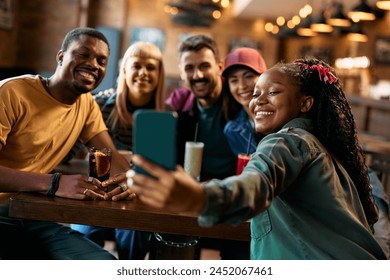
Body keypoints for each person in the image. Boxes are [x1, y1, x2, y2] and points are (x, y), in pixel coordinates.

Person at [124, 57, 386, 259]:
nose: (258, 100)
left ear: (305, 104)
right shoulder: (321, 147)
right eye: (256, 93)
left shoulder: (285, 140)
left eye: (273, 92)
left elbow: (255, 186)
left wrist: (197, 197)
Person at [0, 27, 132, 260]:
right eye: (84, 54)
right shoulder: (11, 93)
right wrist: (54, 183)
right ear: (61, 57)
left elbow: (111, 157)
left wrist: (128, 181)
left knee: (106, 264)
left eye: (102, 61)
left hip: (33, 215)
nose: (94, 64)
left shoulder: (87, 104)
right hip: (5, 215)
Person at [71, 41, 166, 260]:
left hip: (137, 198)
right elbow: (70, 150)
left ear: (159, 74)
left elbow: (159, 171)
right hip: (96, 193)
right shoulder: (100, 103)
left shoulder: (164, 115)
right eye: (136, 66)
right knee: (83, 237)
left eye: (151, 67)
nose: (143, 73)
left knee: (135, 236)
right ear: (124, 69)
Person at [164, 34, 250, 259]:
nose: (198, 75)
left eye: (204, 66)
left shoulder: (238, 100)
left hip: (233, 198)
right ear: (182, 72)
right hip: (192, 198)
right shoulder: (180, 104)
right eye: (189, 68)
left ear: (219, 67)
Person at [221, 47, 267, 156]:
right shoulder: (232, 130)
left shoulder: (283, 119)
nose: (242, 86)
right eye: (234, 80)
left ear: (265, 77)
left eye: (248, 76)